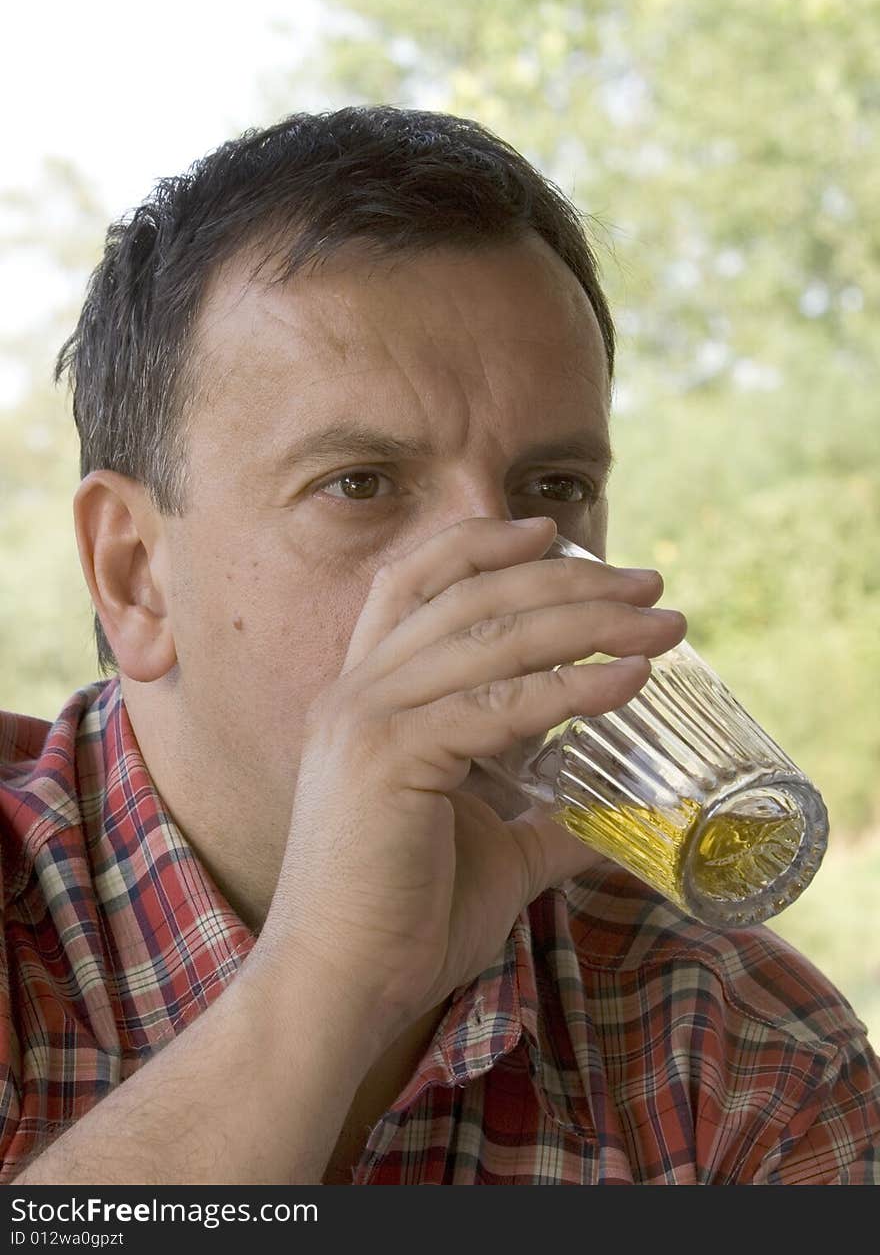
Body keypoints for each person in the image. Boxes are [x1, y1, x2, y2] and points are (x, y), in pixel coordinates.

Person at [1, 106, 878, 1187]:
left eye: (553, 489)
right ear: (135, 572)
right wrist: (325, 984)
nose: (493, 576)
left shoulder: (741, 1053)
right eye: (359, 485)